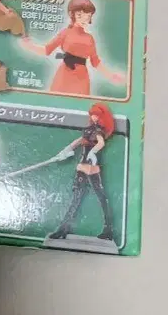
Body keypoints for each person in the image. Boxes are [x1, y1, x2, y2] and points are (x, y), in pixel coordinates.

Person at [21, 0, 125, 95]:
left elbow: (95, 61)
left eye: (88, 16)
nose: (84, 19)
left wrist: (111, 76)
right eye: (80, 15)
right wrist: (30, 46)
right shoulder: (65, 33)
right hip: (64, 76)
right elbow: (47, 50)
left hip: (82, 78)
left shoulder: (89, 38)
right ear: (72, 15)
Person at [47, 103, 116, 242]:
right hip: (82, 166)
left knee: (101, 198)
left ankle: (108, 229)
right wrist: (63, 152)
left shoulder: (98, 131)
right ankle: (63, 229)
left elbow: (101, 143)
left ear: (101, 117)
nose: (94, 117)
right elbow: (76, 142)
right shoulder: (88, 130)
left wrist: (93, 152)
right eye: (92, 114)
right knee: (77, 198)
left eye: (97, 115)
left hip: (92, 167)